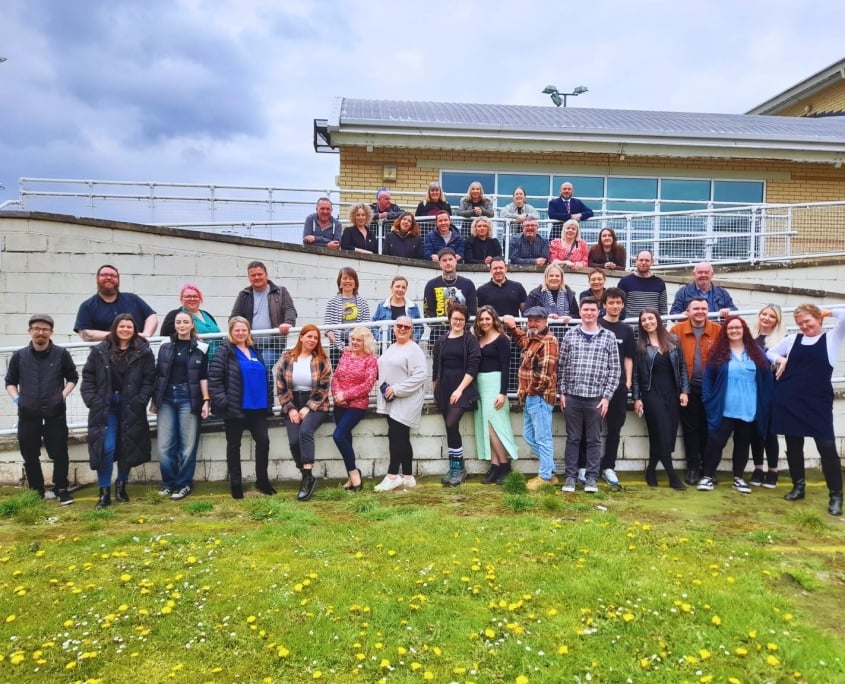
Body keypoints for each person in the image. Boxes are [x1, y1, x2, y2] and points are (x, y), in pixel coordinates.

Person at [768, 304, 845, 516]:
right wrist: (780, 359)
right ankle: (798, 487)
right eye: (800, 323)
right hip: (790, 399)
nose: (804, 326)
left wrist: (827, 312)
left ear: (819, 319)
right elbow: (769, 353)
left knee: (827, 447)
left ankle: (836, 496)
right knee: (793, 445)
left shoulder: (832, 338)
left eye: (807, 321)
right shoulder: (793, 340)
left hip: (817, 402)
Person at [81, 314, 156, 509]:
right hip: (106, 407)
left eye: (129, 327)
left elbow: (149, 379)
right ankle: (104, 492)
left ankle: (121, 485)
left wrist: (141, 400)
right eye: (122, 326)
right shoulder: (100, 350)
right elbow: (88, 377)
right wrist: (92, 400)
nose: (125, 330)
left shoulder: (143, 351)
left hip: (131, 406)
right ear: (115, 328)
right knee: (106, 448)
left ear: (134, 330)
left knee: (127, 447)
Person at [5, 314, 78, 504]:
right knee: (30, 455)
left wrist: (61, 396)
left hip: (55, 414)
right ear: (29, 331)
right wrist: (18, 400)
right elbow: (10, 382)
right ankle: (36, 491)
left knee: (59, 453)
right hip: (28, 414)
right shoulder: (19, 356)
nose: (40, 332)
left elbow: (73, 378)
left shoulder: (61, 354)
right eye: (36, 328)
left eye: (45, 329)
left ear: (51, 332)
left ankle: (61, 489)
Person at [697, 316, 773, 494]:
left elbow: (766, 378)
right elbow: (708, 379)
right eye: (730, 328)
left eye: (738, 327)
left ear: (744, 330)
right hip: (724, 408)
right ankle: (707, 477)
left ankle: (738, 478)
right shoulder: (719, 352)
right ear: (725, 331)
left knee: (742, 443)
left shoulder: (756, 352)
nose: (734, 331)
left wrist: (765, 401)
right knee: (715, 442)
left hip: (749, 407)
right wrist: (708, 400)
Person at [558, 298, 620, 493]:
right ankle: (570, 477)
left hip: (596, 398)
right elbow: (561, 366)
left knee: (594, 440)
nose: (589, 313)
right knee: (573, 439)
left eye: (592, 310)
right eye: (585, 309)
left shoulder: (608, 336)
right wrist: (562, 392)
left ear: (598, 311)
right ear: (580, 312)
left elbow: (615, 370)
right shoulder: (570, 335)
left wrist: (606, 397)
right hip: (572, 397)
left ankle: (592, 478)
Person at [208, 317, 274, 499]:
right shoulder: (224, 351)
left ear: (248, 331)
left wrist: (269, 402)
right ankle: (236, 484)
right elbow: (214, 380)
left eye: (244, 330)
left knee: (263, 442)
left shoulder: (254, 350)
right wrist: (225, 402)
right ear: (231, 331)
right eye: (236, 330)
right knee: (234, 446)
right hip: (235, 408)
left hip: (258, 408)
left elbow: (267, 377)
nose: (240, 333)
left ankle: (262, 481)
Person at [150, 311, 210, 500]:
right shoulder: (165, 346)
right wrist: (155, 400)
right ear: (174, 325)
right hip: (166, 399)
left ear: (192, 325)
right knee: (164, 445)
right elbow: (158, 375)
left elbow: (203, 377)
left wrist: (206, 400)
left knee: (188, 445)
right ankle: (168, 483)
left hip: (189, 398)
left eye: (185, 322)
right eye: (178, 322)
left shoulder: (201, 348)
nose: (182, 325)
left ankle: (183, 484)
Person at [632, 308, 689, 490]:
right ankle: (672, 476)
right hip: (651, 393)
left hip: (672, 393)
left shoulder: (674, 340)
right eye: (644, 320)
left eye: (650, 318)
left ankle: (650, 470)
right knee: (662, 433)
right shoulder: (640, 345)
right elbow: (635, 374)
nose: (648, 322)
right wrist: (636, 398)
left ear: (657, 319)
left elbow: (682, 367)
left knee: (666, 434)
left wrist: (684, 391)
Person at [503, 307, 559, 490]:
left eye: (537, 320)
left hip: (539, 397)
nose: (533, 323)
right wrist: (513, 328)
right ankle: (550, 471)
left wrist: (530, 392)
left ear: (545, 321)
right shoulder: (534, 339)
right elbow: (523, 342)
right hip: (530, 397)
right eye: (530, 320)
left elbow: (543, 376)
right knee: (529, 435)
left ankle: (545, 477)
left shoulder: (549, 341)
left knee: (543, 438)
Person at [276, 324, 332, 502]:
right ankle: (305, 474)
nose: (312, 340)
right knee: (294, 441)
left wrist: (308, 407)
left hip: (316, 404)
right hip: (293, 402)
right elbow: (280, 387)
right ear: (301, 337)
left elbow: (324, 388)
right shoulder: (287, 358)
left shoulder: (321, 360)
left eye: (315, 338)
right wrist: (291, 408)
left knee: (305, 431)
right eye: (309, 336)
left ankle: (307, 479)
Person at [374, 316, 428, 492]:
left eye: (407, 327)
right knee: (402, 438)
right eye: (399, 326)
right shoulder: (392, 346)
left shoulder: (414, 350)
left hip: (407, 400)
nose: (402, 329)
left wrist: (397, 389)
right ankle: (408, 477)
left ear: (412, 330)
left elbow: (420, 376)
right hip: (392, 399)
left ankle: (392, 476)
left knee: (396, 436)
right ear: (394, 328)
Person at [672, 297, 722, 485]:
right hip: (688, 387)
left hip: (712, 388)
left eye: (703, 308)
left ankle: (708, 469)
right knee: (690, 429)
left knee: (710, 428)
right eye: (696, 308)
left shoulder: (718, 330)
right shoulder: (676, 331)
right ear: (688, 311)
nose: (700, 311)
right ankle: (692, 467)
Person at [433, 303, 481, 487]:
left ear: (465, 321)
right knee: (450, 429)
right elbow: (435, 367)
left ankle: (459, 468)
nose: (458, 322)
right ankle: (455, 467)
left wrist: (460, 389)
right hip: (444, 389)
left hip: (463, 389)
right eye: (455, 319)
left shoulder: (470, 340)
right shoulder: (441, 340)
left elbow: (473, 366)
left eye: (461, 319)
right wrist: (435, 389)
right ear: (449, 319)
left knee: (451, 423)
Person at [473, 306, 519, 484]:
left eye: (487, 319)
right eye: (481, 319)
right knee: (486, 427)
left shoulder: (502, 339)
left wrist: (502, 393)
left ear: (494, 320)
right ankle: (495, 466)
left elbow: (506, 367)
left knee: (494, 427)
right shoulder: (478, 339)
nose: (484, 322)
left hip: (495, 385)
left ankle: (505, 465)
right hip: (481, 385)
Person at [331, 327, 378, 492]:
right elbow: (336, 377)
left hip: (356, 405)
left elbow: (367, 385)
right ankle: (352, 477)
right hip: (339, 403)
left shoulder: (370, 360)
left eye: (359, 340)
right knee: (346, 438)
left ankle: (354, 474)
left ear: (366, 342)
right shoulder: (345, 353)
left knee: (338, 435)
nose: (355, 342)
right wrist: (337, 394)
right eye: (353, 339)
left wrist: (346, 395)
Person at [230, 260, 297, 371]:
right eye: (253, 275)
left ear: (266, 275)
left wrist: (288, 322)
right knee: (254, 371)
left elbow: (289, 309)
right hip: (248, 344)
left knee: (261, 367)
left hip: (273, 344)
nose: (257, 277)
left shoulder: (280, 291)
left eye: (259, 274)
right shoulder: (244, 295)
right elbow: (234, 316)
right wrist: (237, 330)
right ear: (249, 277)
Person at [748, 304, 785, 487]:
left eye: (771, 316)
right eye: (764, 314)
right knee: (754, 430)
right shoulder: (750, 336)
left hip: (771, 389)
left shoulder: (781, 339)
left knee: (770, 432)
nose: (766, 318)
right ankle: (758, 469)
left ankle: (773, 471)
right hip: (752, 388)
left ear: (777, 320)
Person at [74, 264, 158, 341]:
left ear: (118, 280)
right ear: (97, 279)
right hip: (104, 352)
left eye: (113, 275)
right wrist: (119, 334)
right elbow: (85, 334)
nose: (109, 277)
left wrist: (146, 335)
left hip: (137, 350)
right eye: (104, 275)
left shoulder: (133, 299)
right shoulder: (87, 306)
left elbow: (151, 317)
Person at [423, 247, 478, 347]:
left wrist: (459, 328)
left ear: (456, 261)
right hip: (438, 337)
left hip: (463, 337)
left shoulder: (468, 284)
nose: (448, 263)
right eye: (444, 260)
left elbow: (473, 311)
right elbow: (427, 312)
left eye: (450, 259)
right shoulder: (431, 285)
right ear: (440, 263)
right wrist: (440, 329)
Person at [324, 267, 372, 368]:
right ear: (340, 282)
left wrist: (354, 343)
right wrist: (338, 343)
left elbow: (367, 326)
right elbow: (328, 327)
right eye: (345, 278)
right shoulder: (332, 303)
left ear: (355, 283)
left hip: (358, 346)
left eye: (351, 278)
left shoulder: (363, 303)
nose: (348, 281)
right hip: (336, 348)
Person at [525, 263, 579, 343]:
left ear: (561, 278)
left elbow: (577, 315)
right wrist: (547, 316)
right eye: (551, 276)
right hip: (540, 337)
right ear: (546, 277)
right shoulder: (535, 294)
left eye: (557, 276)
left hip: (565, 337)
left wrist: (569, 317)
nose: (554, 278)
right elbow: (526, 312)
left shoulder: (569, 294)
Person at [670, 262, 737, 316]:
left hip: (717, 327)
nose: (703, 275)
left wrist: (728, 311)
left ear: (712, 275)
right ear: (694, 274)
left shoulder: (722, 293)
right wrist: (683, 315)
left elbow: (735, 311)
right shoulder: (683, 292)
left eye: (706, 272)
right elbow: (674, 313)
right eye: (700, 272)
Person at [372, 275, 424, 344]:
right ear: (391, 288)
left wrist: (412, 341)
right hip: (387, 347)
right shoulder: (382, 306)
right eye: (397, 286)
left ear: (406, 290)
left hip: (406, 346)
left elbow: (420, 327)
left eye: (403, 287)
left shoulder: (413, 307)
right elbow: (373, 324)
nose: (400, 289)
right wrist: (381, 339)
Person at [618, 251, 667, 321]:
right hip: (630, 325)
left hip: (652, 325)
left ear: (652, 262)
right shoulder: (625, 282)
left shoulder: (660, 283)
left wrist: (662, 325)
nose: (643, 263)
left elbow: (663, 309)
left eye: (647, 260)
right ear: (636, 261)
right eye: (641, 260)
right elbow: (619, 306)